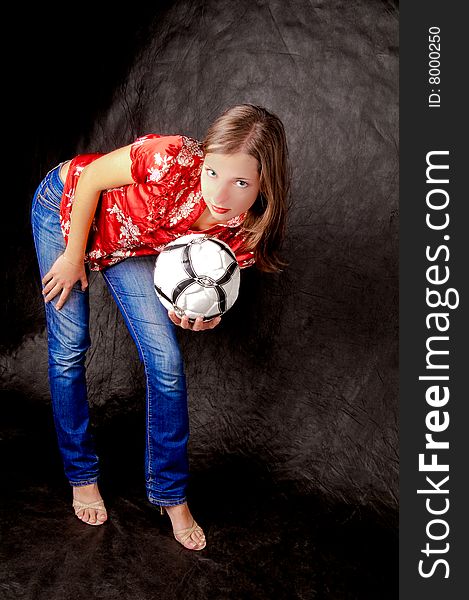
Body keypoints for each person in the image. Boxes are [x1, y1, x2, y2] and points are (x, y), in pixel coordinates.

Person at [31, 104, 290, 550]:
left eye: (241, 182)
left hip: (127, 243)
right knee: (70, 346)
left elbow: (192, 283)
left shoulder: (243, 235)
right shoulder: (168, 157)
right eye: (213, 173)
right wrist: (73, 257)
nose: (220, 194)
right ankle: (81, 474)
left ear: (266, 184)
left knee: (166, 360)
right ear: (203, 157)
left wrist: (196, 314)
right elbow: (91, 179)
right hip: (69, 209)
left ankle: (171, 495)